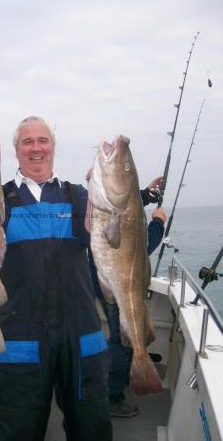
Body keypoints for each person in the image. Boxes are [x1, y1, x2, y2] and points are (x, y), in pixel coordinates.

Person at [0, 116, 113, 441]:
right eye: (27, 142)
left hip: (81, 332)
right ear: (16, 150)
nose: (36, 148)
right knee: (18, 431)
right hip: (20, 337)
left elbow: (112, 241)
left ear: (53, 148)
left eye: (42, 140)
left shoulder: (78, 197)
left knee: (92, 428)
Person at [92, 178, 167, 418]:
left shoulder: (103, 205)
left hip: (107, 282)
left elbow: (124, 212)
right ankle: (112, 399)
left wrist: (144, 194)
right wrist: (158, 223)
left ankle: (124, 378)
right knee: (122, 343)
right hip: (120, 286)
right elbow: (141, 247)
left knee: (120, 338)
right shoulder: (102, 205)